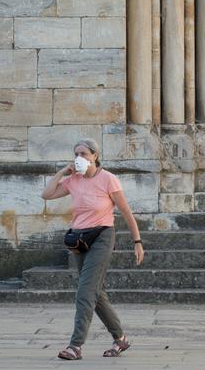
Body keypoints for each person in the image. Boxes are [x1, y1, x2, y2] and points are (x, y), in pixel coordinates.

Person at [41, 138, 145, 360]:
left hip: (102, 236)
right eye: (76, 154)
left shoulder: (108, 179)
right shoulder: (74, 180)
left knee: (85, 291)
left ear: (95, 156)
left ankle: (75, 345)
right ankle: (120, 339)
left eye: (84, 154)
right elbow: (47, 195)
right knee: (95, 293)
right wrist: (62, 172)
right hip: (79, 240)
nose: (79, 158)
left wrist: (137, 242)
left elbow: (126, 212)